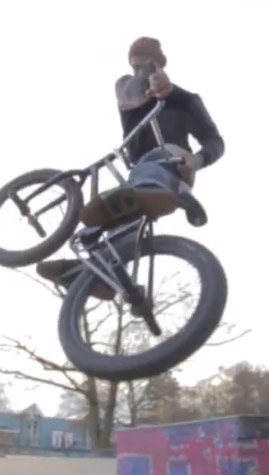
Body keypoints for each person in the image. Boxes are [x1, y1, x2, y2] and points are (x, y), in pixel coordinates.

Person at [36, 37, 226, 300]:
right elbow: (134, 95)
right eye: (136, 62)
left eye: (147, 62)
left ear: (159, 62)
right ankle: (96, 271)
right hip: (141, 171)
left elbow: (214, 140)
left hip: (174, 162)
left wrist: (198, 159)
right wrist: (150, 79)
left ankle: (152, 193)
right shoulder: (126, 86)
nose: (141, 67)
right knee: (124, 223)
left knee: (151, 168)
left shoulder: (186, 100)